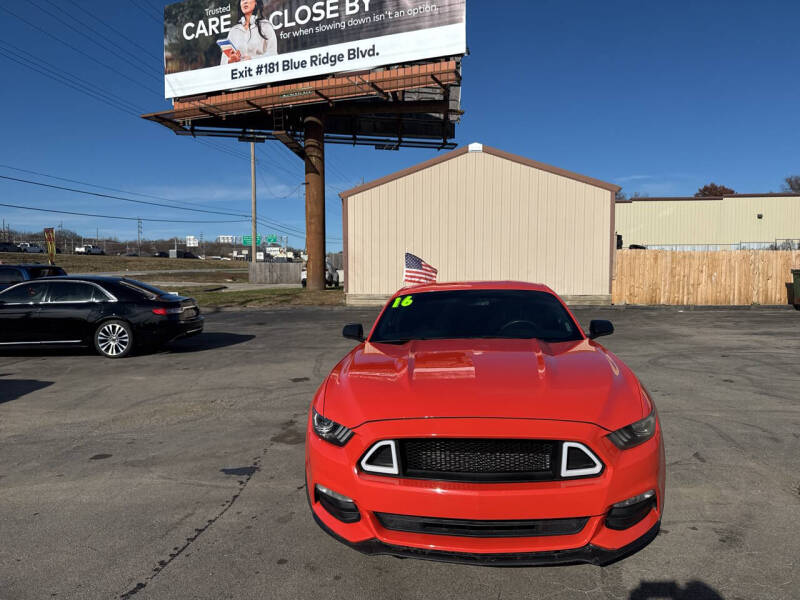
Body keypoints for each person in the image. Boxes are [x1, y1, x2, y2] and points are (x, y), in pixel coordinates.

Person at [221, 0, 278, 65]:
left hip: (259, 69)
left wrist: (252, 59)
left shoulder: (265, 26)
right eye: (242, 0)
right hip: (239, 70)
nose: (245, 2)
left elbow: (273, 54)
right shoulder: (233, 31)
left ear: (255, 2)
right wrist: (230, 60)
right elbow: (223, 63)